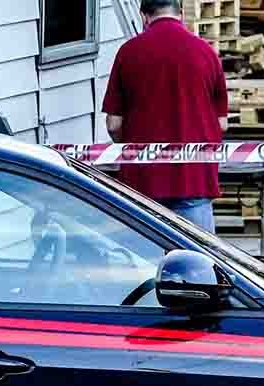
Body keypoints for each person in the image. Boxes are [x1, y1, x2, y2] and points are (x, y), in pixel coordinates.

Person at [102, 0, 228, 233]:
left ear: (143, 15)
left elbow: (113, 123)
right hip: (194, 177)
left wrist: (131, 149)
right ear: (180, 13)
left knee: (145, 262)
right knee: (198, 261)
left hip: (143, 180)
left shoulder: (129, 52)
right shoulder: (206, 52)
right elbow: (221, 123)